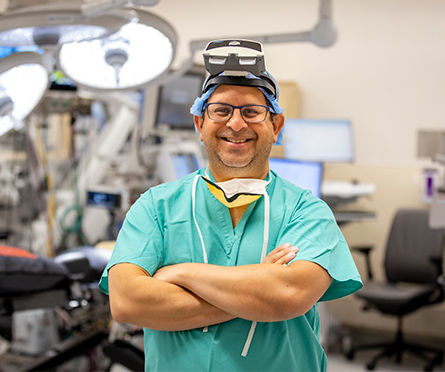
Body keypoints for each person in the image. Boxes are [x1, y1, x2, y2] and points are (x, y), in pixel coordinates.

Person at [99, 39, 362, 371]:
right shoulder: (155, 207)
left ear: (276, 126)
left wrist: (180, 273)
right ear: (200, 124)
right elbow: (127, 302)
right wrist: (256, 291)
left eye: (252, 112)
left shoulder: (306, 212)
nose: (236, 124)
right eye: (221, 110)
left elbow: (288, 296)